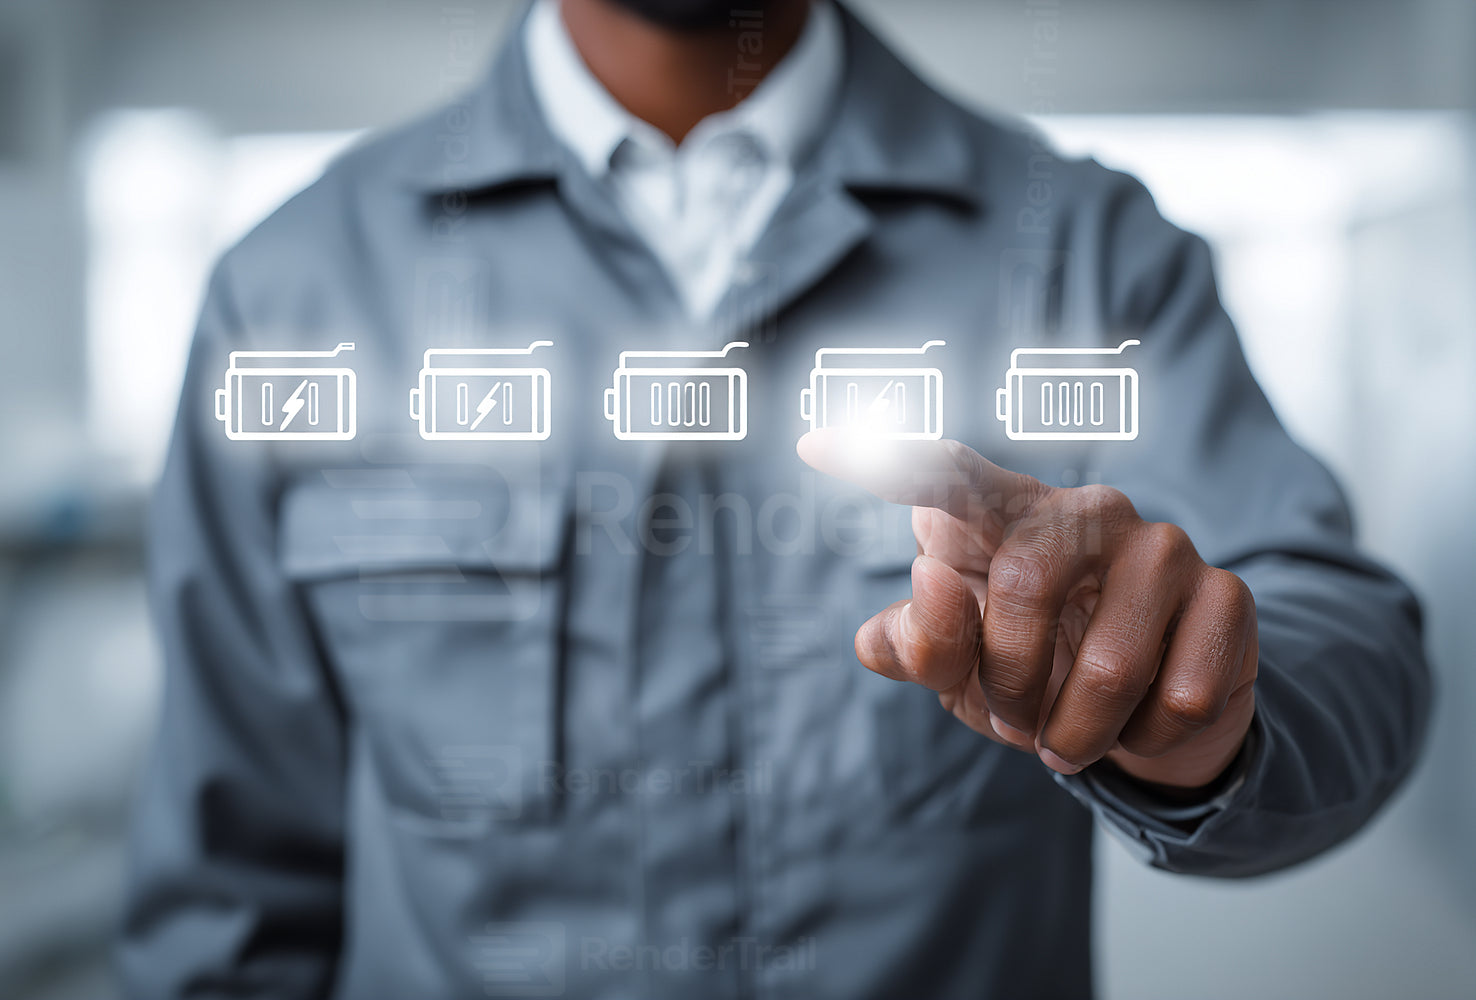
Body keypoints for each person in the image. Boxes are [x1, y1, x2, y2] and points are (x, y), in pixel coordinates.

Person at [119, 0, 1431, 997]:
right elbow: (231, 896)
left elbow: (1347, 636)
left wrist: (1203, 709)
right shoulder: (291, 294)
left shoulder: (1084, 253)